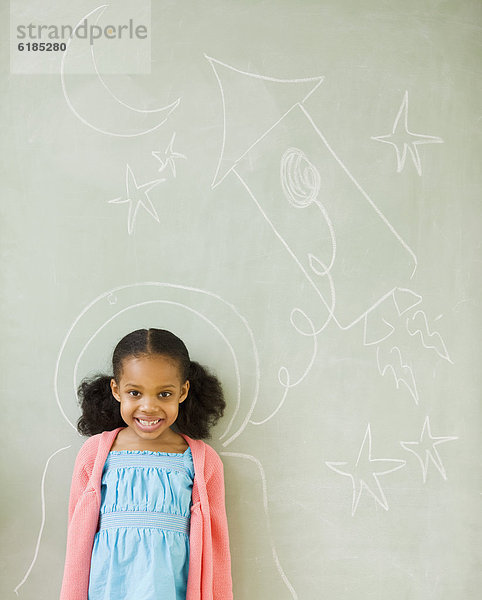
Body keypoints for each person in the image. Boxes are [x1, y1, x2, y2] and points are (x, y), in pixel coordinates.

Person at [60, 328, 233, 600]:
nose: (148, 407)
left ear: (183, 391)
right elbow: (77, 544)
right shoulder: (95, 454)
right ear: (117, 390)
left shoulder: (202, 461)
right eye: (135, 393)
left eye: (164, 394)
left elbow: (216, 549)